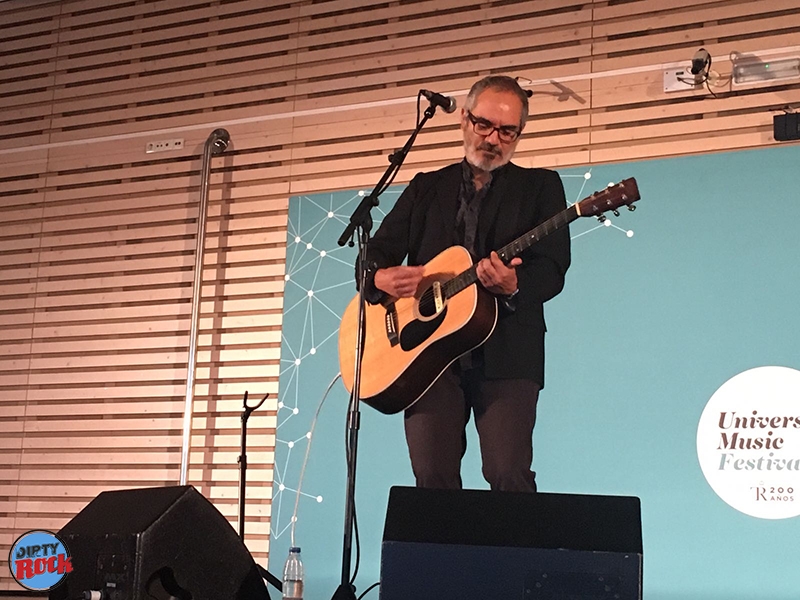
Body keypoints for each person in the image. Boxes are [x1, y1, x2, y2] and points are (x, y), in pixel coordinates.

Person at [359, 75, 571, 492]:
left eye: (507, 131)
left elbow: (553, 268)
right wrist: (379, 276)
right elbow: (375, 252)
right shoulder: (425, 188)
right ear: (464, 121)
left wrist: (514, 284)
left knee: (507, 474)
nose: (494, 138)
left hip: (508, 352)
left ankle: (515, 559)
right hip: (427, 355)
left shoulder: (541, 187)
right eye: (484, 125)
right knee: (431, 478)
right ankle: (441, 560)